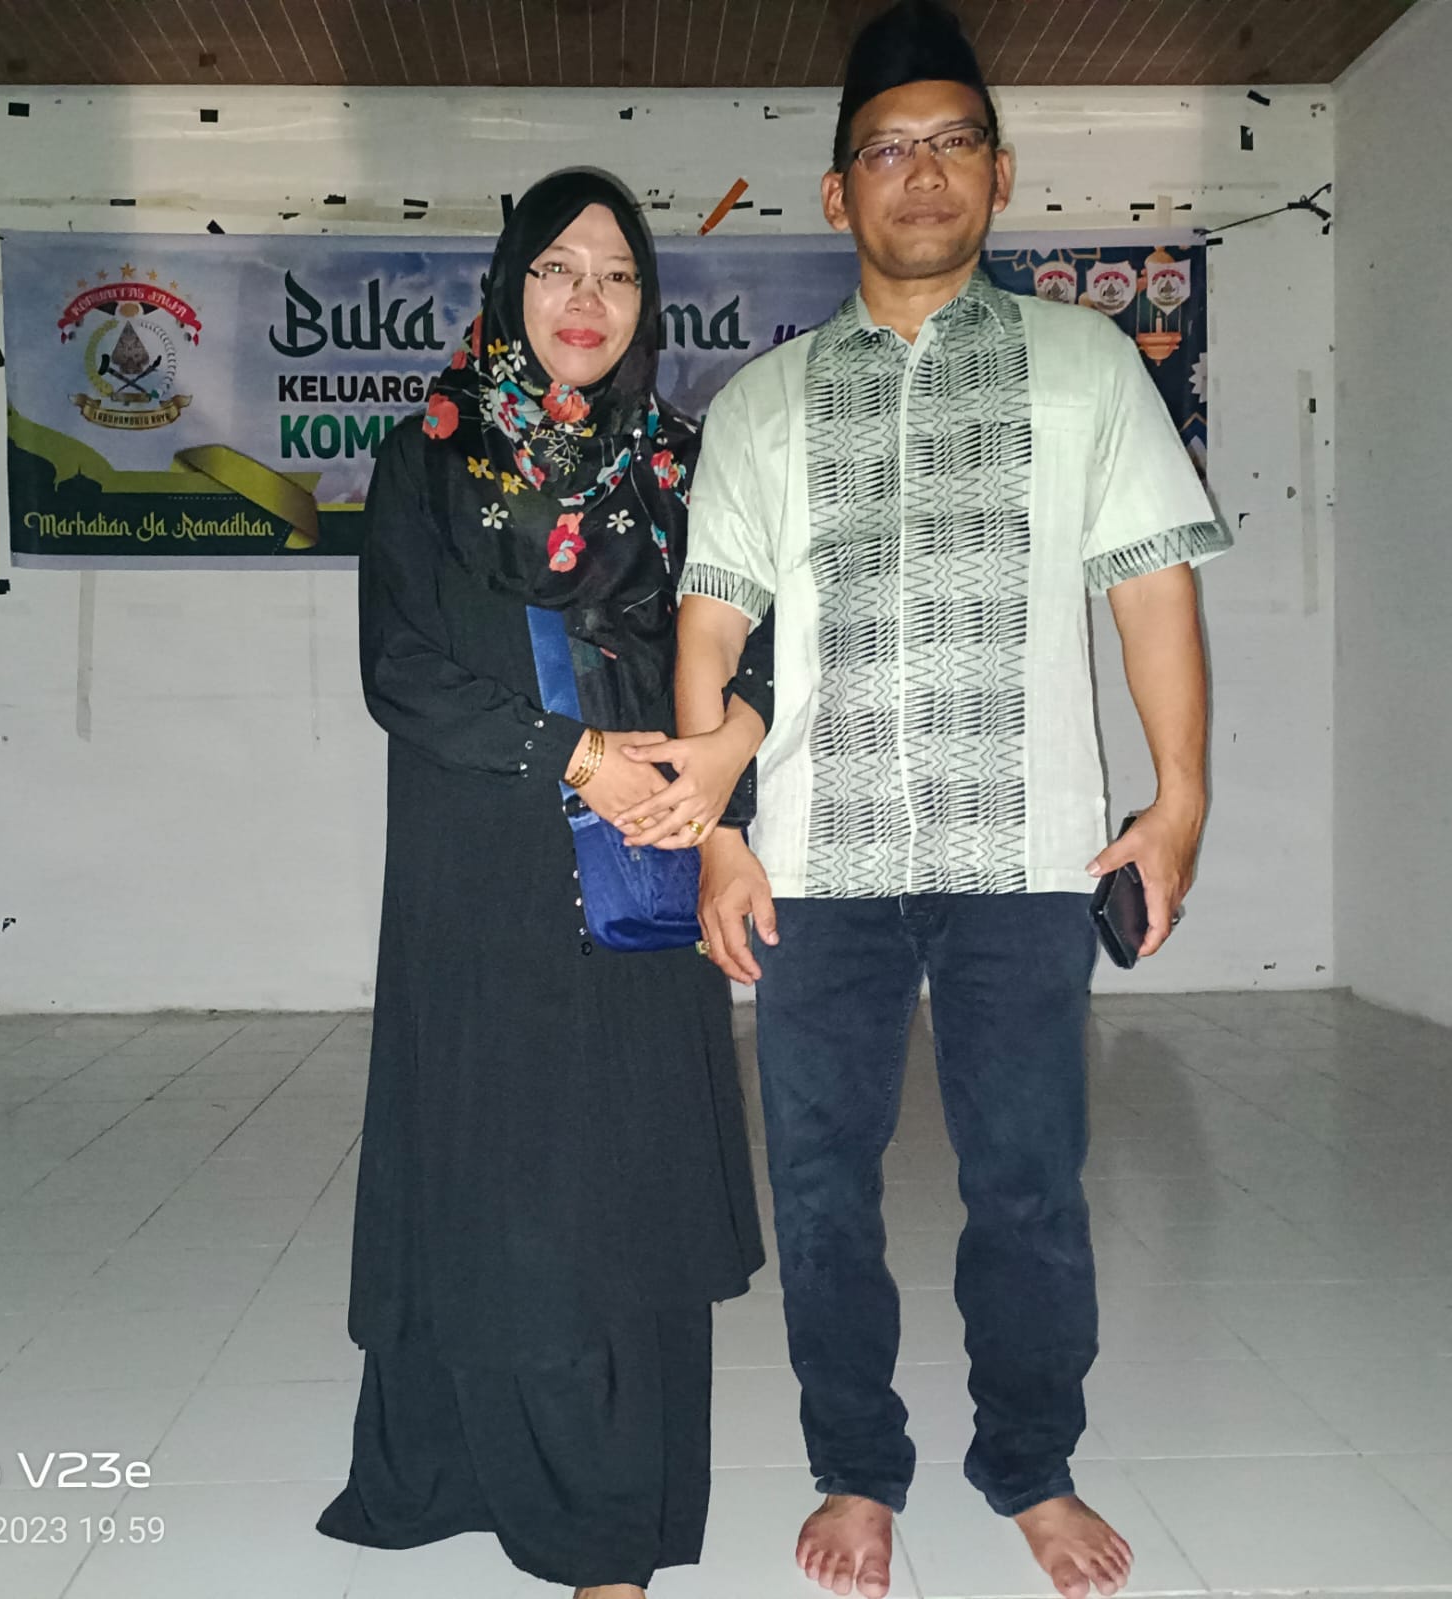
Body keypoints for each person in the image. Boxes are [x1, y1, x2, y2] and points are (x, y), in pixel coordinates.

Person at [651, 4, 1234, 1597]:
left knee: (1028, 1184)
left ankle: (1030, 1464)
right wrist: (717, 837)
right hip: (815, 855)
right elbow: (708, 625)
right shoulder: (763, 405)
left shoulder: (1086, 365)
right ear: (837, 192)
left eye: (952, 143)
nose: (921, 173)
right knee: (823, 1188)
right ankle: (857, 1465)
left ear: (1000, 174)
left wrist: (1178, 802)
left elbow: (1152, 588)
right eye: (887, 150)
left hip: (1027, 852)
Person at [316, 169, 769, 1599]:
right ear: (511, 285)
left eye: (618, 274)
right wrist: (573, 756)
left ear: (648, 303)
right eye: (559, 268)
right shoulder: (429, 458)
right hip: (483, 872)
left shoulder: (688, 467)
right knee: (492, 1171)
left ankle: (605, 1533)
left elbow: (759, 644)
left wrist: (726, 776)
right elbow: (402, 669)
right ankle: (462, 1464)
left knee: (620, 1189)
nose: (588, 298)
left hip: (649, 864)